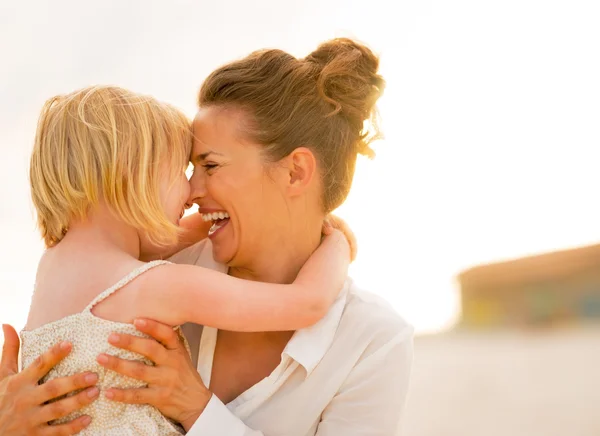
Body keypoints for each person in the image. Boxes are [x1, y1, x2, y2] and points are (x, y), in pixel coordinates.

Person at [0, 37, 413, 435]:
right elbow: (305, 303)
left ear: (295, 172)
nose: (193, 192)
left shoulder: (372, 339)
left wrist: (199, 411)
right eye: (184, 170)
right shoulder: (160, 274)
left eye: (209, 166)